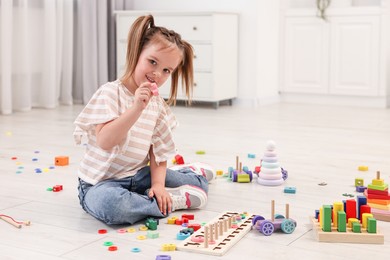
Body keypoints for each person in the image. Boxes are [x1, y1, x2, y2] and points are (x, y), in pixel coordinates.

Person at [73, 14, 215, 225]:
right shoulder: (110, 93)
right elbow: (105, 141)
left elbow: (158, 151)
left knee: (200, 186)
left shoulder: (156, 104)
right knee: (111, 206)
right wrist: (136, 108)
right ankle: (170, 202)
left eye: (167, 70)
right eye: (153, 62)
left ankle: (190, 174)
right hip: (99, 184)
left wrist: (158, 184)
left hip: (138, 176)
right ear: (137, 52)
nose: (158, 73)